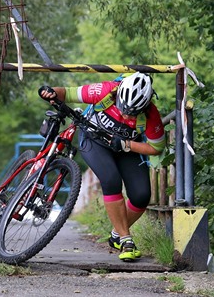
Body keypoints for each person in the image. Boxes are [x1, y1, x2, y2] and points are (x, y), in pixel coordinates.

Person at [38, 72, 165, 262]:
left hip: (125, 148)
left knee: (141, 196)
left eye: (132, 112)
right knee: (111, 180)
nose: (125, 114)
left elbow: (156, 148)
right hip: (94, 141)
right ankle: (125, 239)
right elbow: (66, 93)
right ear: (119, 94)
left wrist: (126, 145)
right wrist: (48, 92)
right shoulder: (105, 91)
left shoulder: (151, 114)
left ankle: (116, 234)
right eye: (123, 108)